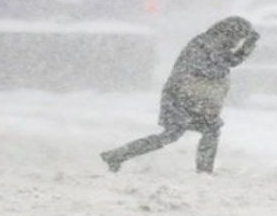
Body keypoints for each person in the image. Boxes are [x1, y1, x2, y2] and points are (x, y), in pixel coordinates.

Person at [101, 16, 260, 174]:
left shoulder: (212, 44)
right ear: (229, 33)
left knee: (204, 130)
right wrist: (246, 47)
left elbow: (230, 61)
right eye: (238, 38)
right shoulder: (205, 44)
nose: (236, 43)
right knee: (176, 133)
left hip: (192, 98)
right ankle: (117, 155)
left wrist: (248, 45)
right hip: (181, 98)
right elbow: (218, 67)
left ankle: (117, 155)